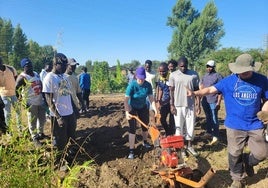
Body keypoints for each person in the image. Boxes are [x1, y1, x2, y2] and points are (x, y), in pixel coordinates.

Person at [188, 53, 268, 188]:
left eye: (246, 71)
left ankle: (248, 162)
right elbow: (209, 89)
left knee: (262, 153)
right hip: (235, 124)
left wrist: (265, 111)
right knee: (235, 153)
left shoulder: (262, 80)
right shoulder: (228, 81)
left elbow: (267, 99)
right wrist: (195, 93)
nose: (243, 73)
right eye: (240, 71)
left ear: (252, 68)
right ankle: (238, 179)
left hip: (255, 123)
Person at [42, 53, 77, 154]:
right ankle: (60, 161)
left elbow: (67, 94)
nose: (65, 67)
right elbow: (48, 99)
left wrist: (74, 110)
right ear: (55, 63)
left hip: (69, 113)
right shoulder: (49, 78)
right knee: (60, 141)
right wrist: (58, 117)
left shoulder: (64, 76)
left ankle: (70, 155)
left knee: (71, 136)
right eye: (62, 65)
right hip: (59, 116)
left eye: (66, 65)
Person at [169, 56, 200, 156]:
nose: (183, 68)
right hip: (178, 105)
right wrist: (172, 105)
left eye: (185, 66)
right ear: (178, 66)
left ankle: (189, 146)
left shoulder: (194, 75)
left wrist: (198, 104)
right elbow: (171, 91)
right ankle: (181, 148)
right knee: (179, 128)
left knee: (190, 126)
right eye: (181, 66)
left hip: (190, 105)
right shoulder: (173, 75)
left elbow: (197, 91)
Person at [124, 66, 158, 159]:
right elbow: (126, 101)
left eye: (143, 78)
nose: (141, 80)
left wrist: (155, 108)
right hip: (132, 107)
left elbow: (151, 98)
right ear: (136, 76)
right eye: (139, 78)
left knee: (145, 126)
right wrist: (127, 112)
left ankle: (145, 142)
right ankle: (131, 150)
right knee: (132, 128)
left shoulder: (147, 85)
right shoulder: (132, 85)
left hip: (143, 107)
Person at [15, 58, 47, 147]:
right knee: (32, 121)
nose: (30, 67)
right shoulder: (22, 77)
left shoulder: (36, 73)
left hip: (40, 101)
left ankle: (40, 133)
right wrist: (22, 100)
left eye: (30, 65)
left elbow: (40, 84)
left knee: (42, 119)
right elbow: (16, 89)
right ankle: (34, 137)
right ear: (23, 67)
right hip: (31, 102)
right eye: (27, 66)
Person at [199, 60, 223, 145]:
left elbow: (220, 90)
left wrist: (218, 102)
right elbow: (201, 87)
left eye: (210, 67)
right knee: (208, 117)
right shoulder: (204, 76)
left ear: (213, 67)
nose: (208, 68)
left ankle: (216, 135)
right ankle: (208, 133)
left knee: (214, 118)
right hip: (205, 100)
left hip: (214, 100)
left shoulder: (218, 76)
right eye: (207, 66)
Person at [0, 56, 20, 129]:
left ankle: (20, 128)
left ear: (2, 61)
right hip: (4, 95)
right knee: (7, 114)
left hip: (14, 94)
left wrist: (18, 92)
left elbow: (16, 79)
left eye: (0, 60)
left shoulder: (11, 69)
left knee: (18, 112)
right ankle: (9, 130)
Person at [155, 62, 175, 136]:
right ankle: (168, 132)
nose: (161, 73)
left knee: (172, 120)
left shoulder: (172, 77)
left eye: (163, 71)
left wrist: (168, 101)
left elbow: (172, 91)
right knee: (162, 119)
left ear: (167, 70)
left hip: (173, 102)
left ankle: (172, 134)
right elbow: (160, 90)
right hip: (164, 102)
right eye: (160, 71)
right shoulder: (160, 78)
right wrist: (159, 100)